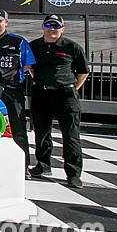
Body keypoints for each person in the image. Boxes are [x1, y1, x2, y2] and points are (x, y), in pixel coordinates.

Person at [28, 14, 89, 188]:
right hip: (41, 93)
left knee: (70, 136)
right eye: (48, 25)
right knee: (41, 133)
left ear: (62, 29)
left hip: (66, 95)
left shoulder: (72, 47)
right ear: (43, 27)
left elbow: (83, 71)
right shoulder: (34, 46)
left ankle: (73, 173)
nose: (51, 29)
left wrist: (72, 87)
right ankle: (42, 166)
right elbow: (30, 68)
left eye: (56, 26)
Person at [0, 9, 35, 173]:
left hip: (11, 89)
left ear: (6, 23)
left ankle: (22, 167)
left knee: (17, 128)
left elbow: (28, 66)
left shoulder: (18, 42)